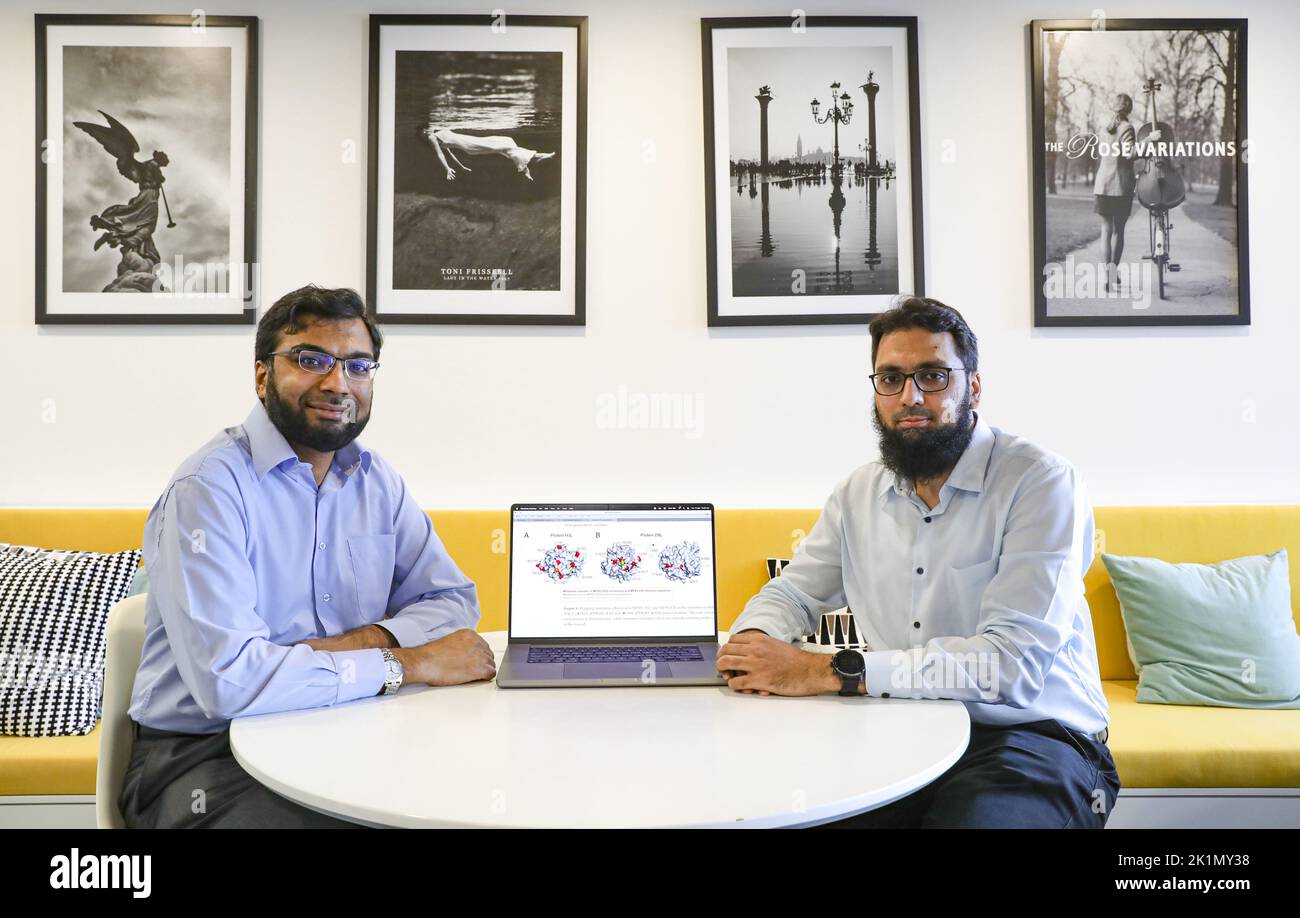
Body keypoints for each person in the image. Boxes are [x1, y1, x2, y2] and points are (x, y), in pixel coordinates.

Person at [717, 296, 1119, 828]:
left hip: (1029, 738)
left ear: (973, 386)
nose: (910, 397)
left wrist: (829, 671)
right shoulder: (857, 493)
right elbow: (793, 593)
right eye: (891, 378)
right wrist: (754, 649)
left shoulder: (1041, 483)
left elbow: (1009, 667)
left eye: (932, 376)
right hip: (899, 729)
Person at [120, 285, 496, 828]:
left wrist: (359, 642)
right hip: (203, 755)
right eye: (311, 360)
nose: (337, 382)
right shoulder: (209, 490)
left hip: (346, 728)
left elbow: (451, 600)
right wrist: (406, 662)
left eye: (358, 366)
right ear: (261, 375)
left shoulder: (375, 481)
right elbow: (230, 685)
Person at [1092, 93, 1159, 292]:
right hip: (1120, 186)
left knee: (1105, 231)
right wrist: (1149, 139)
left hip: (1102, 184)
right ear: (1128, 109)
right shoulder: (1126, 127)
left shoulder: (1103, 127)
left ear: (1114, 107)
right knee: (1118, 231)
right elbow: (1129, 154)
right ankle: (1113, 273)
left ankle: (1107, 276)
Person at [422, 126, 556, 182]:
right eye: (423, 131)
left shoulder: (438, 132)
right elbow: (441, 154)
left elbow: (451, 154)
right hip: (471, 146)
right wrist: (447, 169)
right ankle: (535, 158)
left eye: (426, 129)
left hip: (472, 143)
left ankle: (525, 166)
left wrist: (461, 167)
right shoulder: (432, 137)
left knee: (506, 143)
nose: (426, 130)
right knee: (505, 145)